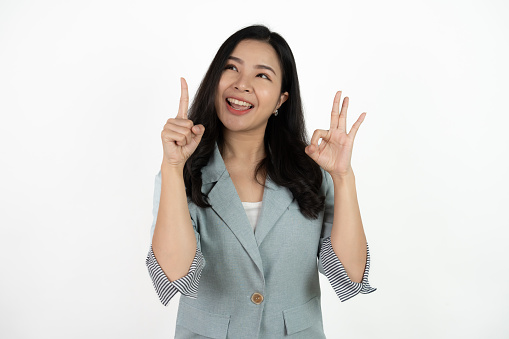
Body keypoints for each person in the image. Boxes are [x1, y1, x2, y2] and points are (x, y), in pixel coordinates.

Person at [145, 25, 376, 338]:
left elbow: (350, 274)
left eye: (262, 75)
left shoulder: (312, 173)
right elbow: (175, 273)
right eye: (231, 68)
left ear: (281, 99)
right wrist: (173, 166)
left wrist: (343, 178)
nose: (242, 84)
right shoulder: (181, 171)